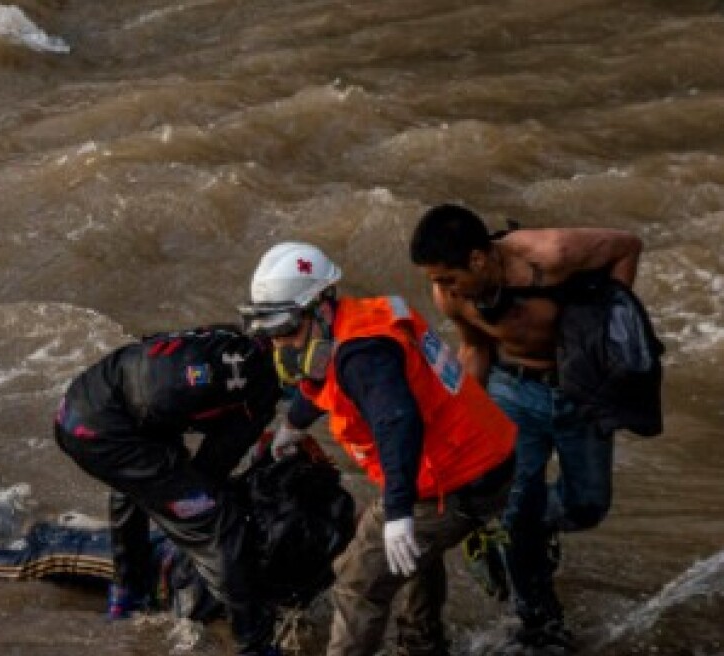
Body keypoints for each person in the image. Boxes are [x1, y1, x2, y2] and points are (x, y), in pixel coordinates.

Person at [238, 242, 515, 656]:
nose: (283, 346)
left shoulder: (364, 357)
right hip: (487, 456)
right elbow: (321, 378)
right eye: (271, 333)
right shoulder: (354, 323)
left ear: (320, 306)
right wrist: (292, 427)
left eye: (288, 330)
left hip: (455, 477)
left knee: (357, 581)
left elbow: (397, 423)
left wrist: (400, 512)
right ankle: (422, 642)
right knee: (411, 552)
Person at [408, 204, 644, 651]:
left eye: (446, 278)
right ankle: (539, 622)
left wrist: (609, 322)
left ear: (478, 259)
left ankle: (534, 532)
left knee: (587, 505)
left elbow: (628, 246)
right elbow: (475, 349)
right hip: (512, 392)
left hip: (580, 390)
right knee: (516, 513)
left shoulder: (552, 255)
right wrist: (458, 425)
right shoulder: (454, 297)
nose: (441, 290)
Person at [0, 434, 356, 628]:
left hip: (174, 572)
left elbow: (235, 529)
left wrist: (263, 460)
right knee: (75, 538)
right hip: (187, 555)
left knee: (48, 556)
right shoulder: (333, 511)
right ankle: (11, 528)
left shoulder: (290, 514)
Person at [52, 325, 285, 656]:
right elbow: (210, 471)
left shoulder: (226, 338)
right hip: (108, 431)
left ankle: (126, 596)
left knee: (138, 484)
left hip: (81, 405)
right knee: (220, 524)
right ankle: (255, 645)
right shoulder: (260, 392)